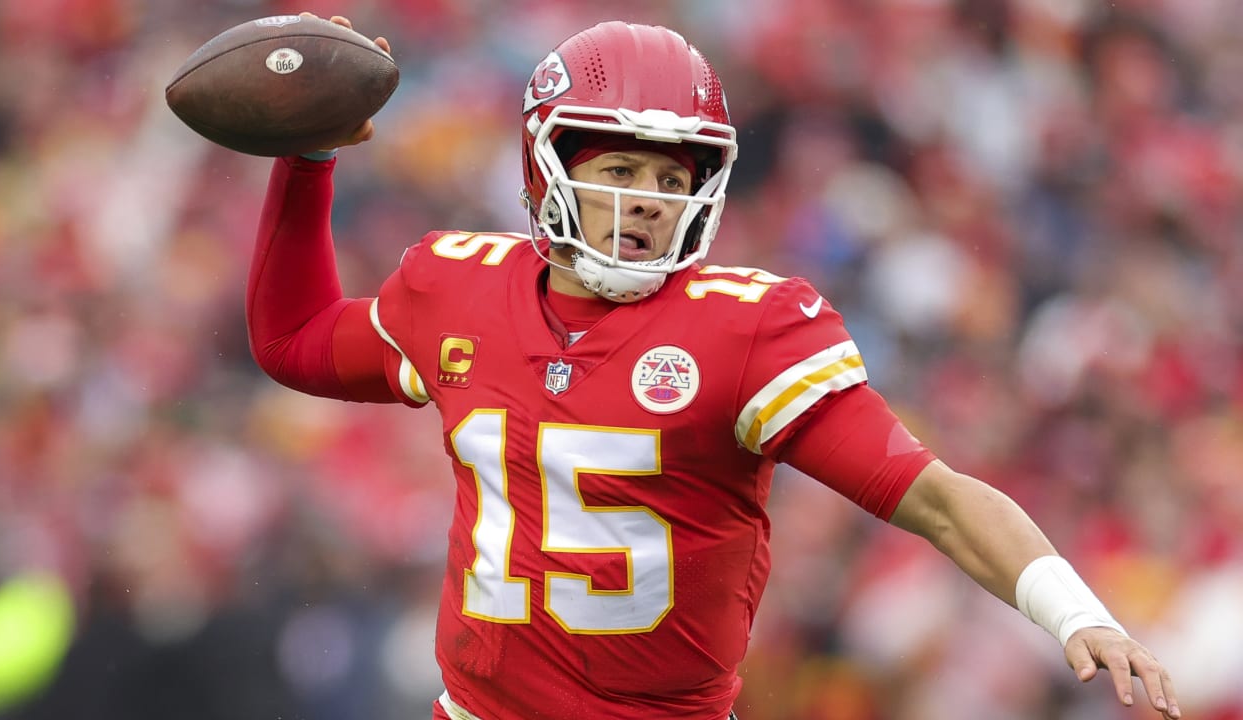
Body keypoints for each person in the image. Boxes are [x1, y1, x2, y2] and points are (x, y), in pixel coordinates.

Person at [245, 13, 1182, 720]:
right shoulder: (456, 287)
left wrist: (1074, 612)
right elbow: (295, 342)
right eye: (621, 168)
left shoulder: (747, 330)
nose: (649, 200)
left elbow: (934, 495)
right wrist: (306, 159)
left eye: (673, 177)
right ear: (546, 165)